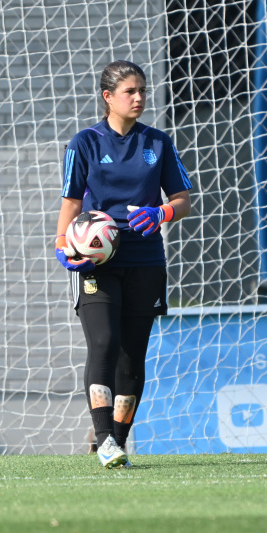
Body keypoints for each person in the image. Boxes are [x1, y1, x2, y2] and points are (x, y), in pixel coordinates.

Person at [54, 60, 192, 469]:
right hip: (97, 263)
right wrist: (63, 245)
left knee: (133, 355)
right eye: (130, 91)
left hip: (146, 260)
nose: (138, 98)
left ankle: (114, 442)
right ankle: (102, 434)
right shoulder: (85, 143)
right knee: (104, 343)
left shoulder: (159, 143)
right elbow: (72, 202)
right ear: (107, 97)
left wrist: (162, 214)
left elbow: (183, 199)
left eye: (142, 91)